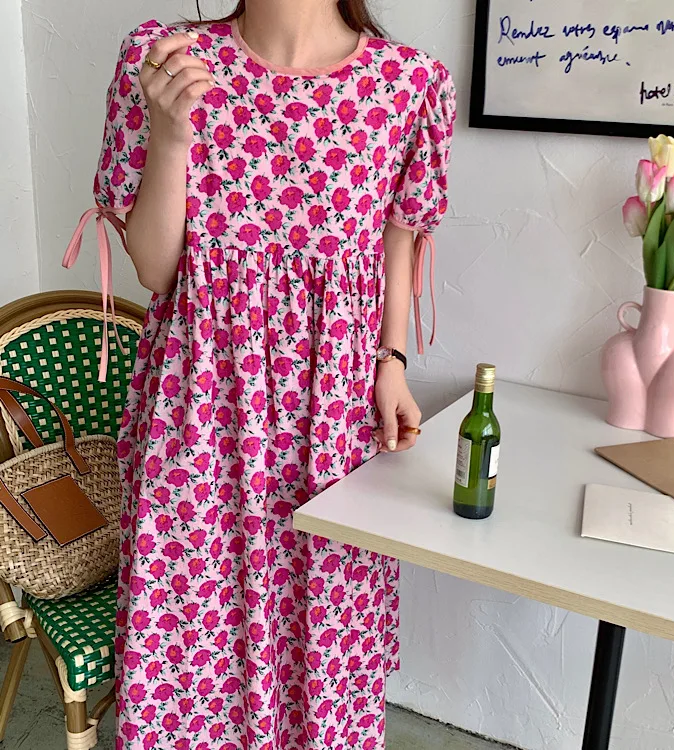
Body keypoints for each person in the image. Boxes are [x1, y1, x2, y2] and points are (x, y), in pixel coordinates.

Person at [66, 1, 455, 747]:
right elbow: (156, 270)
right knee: (191, 642)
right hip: (199, 413)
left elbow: (397, 243)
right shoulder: (166, 58)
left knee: (324, 634)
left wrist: (393, 363)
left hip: (331, 418)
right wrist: (171, 136)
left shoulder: (409, 84)